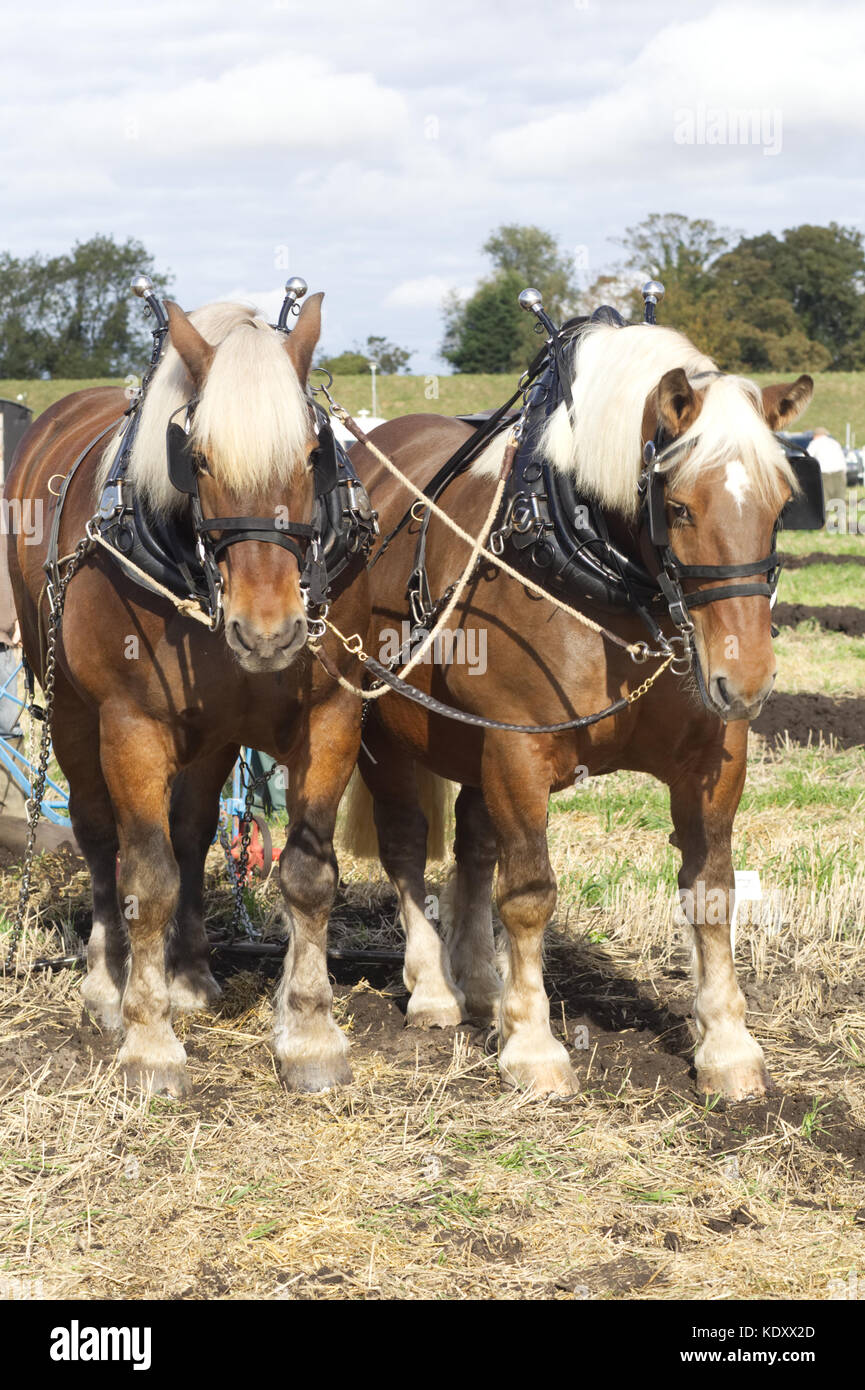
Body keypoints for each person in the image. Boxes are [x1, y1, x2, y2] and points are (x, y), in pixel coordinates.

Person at [807, 427, 848, 505]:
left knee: (824, 503)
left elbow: (807, 458)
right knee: (840, 503)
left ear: (816, 435)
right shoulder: (835, 443)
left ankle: (826, 517)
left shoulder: (815, 443)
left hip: (824, 476)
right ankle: (842, 517)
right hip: (839, 474)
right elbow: (842, 460)